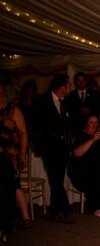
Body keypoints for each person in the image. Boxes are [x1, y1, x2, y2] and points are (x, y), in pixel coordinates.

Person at [31, 74, 74, 223]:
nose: (70, 88)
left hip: (63, 146)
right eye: (69, 85)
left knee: (58, 179)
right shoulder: (42, 101)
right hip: (49, 145)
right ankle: (65, 209)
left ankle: (54, 211)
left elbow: (68, 123)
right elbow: (36, 123)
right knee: (55, 178)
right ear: (62, 87)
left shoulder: (66, 102)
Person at [0, 82, 32, 228]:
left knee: (13, 183)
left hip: (9, 153)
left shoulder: (12, 110)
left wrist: (22, 155)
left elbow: (23, 133)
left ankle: (25, 217)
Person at [64, 71, 100, 135]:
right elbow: (67, 111)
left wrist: (89, 110)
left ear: (86, 81)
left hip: (91, 129)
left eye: (83, 80)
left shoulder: (94, 94)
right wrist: (78, 111)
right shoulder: (70, 95)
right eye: (79, 80)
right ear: (75, 82)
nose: (81, 82)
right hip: (76, 128)